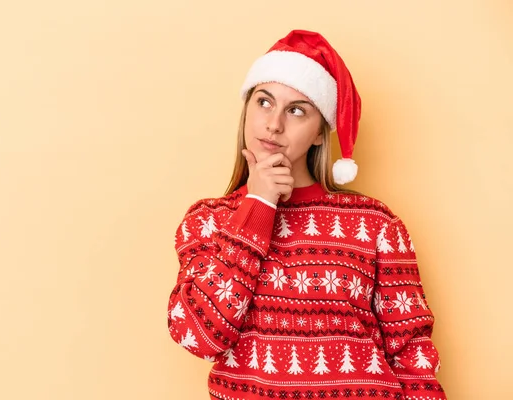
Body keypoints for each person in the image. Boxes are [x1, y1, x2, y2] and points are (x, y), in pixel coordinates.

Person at [167, 30, 447, 400]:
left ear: (319, 133)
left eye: (296, 110)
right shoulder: (207, 221)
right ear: (247, 110)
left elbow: (414, 357)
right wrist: (258, 205)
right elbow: (198, 335)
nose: (275, 124)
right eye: (264, 102)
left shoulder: (375, 224)